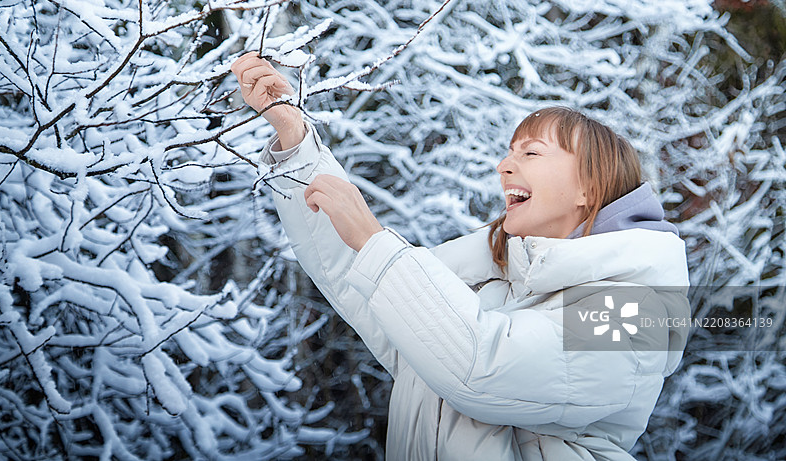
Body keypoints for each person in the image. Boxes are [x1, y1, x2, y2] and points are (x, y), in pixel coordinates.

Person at [231, 52, 691, 461]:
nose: (504, 166)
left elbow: (484, 367)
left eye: (531, 153)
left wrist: (375, 241)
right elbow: (371, 284)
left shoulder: (637, 314)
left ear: (589, 188)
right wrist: (296, 141)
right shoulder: (491, 281)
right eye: (509, 153)